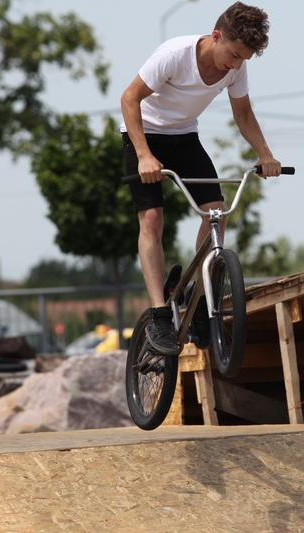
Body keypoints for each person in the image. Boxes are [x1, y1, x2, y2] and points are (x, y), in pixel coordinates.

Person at [120, 2, 281, 355]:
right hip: (143, 135)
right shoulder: (174, 55)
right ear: (216, 36)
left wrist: (265, 155)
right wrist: (144, 155)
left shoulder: (236, 68)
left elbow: (243, 113)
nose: (235, 65)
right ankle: (159, 313)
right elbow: (129, 99)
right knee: (152, 218)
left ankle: (199, 293)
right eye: (234, 55)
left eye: (243, 60)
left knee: (216, 213)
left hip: (184, 138)